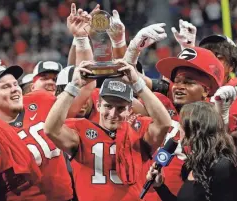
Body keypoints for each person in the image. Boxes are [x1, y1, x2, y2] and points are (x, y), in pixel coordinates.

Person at [44, 59, 172, 201]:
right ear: (98, 105)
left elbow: (165, 123)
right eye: (108, 106)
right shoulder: (81, 131)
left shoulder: (138, 131)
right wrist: (73, 86)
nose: (113, 113)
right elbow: (51, 129)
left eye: (120, 108)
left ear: (130, 110)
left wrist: (138, 84)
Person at [0, 63, 73, 201]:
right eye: (5, 87)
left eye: (15, 84)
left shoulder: (41, 99)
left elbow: (76, 106)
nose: (14, 89)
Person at [146, 101, 237, 201]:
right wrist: (160, 186)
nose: (179, 128)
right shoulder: (192, 165)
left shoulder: (222, 166)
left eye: (181, 124)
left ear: (193, 131)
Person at [155, 46, 225, 195]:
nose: (179, 87)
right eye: (176, 81)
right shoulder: (163, 109)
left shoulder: (214, 123)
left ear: (206, 90)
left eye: (188, 82)